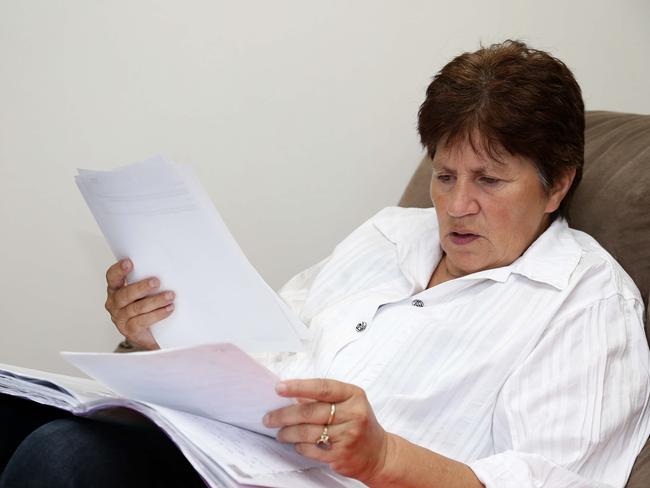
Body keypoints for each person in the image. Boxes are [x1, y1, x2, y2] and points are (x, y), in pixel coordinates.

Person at [1, 40, 649, 488]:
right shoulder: (390, 233)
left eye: (489, 180)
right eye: (444, 174)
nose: (456, 205)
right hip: (227, 457)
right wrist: (155, 333)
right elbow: (269, 346)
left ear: (557, 184)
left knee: (62, 460)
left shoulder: (588, 304)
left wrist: (385, 455)